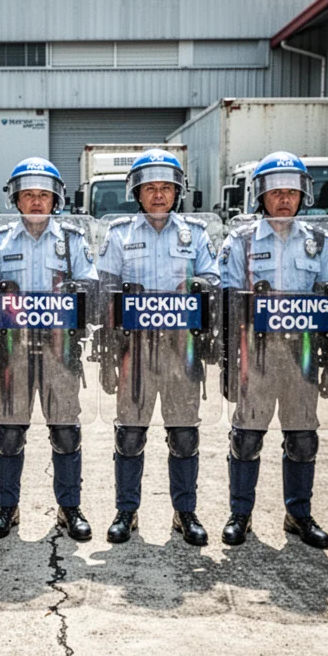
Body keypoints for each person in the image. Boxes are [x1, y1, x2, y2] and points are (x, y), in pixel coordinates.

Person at [95, 149, 220, 546]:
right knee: (130, 435)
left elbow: (214, 282)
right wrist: (108, 353)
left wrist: (199, 286)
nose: (159, 194)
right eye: (151, 188)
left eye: (166, 187)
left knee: (184, 436)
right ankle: (126, 512)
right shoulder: (119, 234)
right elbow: (103, 294)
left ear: (178, 192)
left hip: (182, 349)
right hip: (134, 350)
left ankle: (185, 513)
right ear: (137, 192)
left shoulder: (196, 234)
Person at [220, 151, 328, 549]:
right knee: (247, 439)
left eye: (291, 191)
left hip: (302, 356)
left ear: (303, 195)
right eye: (276, 192)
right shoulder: (241, 241)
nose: (284, 198)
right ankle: (240, 515)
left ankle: (299, 515)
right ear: (261, 196)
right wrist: (228, 363)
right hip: (256, 356)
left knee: (302, 439)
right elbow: (227, 302)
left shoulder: (318, 242)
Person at [0, 157, 98, 541]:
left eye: (43, 195)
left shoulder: (72, 242)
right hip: (13, 352)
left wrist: (74, 298)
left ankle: (69, 509)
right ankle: (6, 509)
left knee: (65, 433)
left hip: (60, 352)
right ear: (16, 199)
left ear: (55, 199)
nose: (35, 201)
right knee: (10, 434)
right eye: (28, 194)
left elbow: (91, 292)